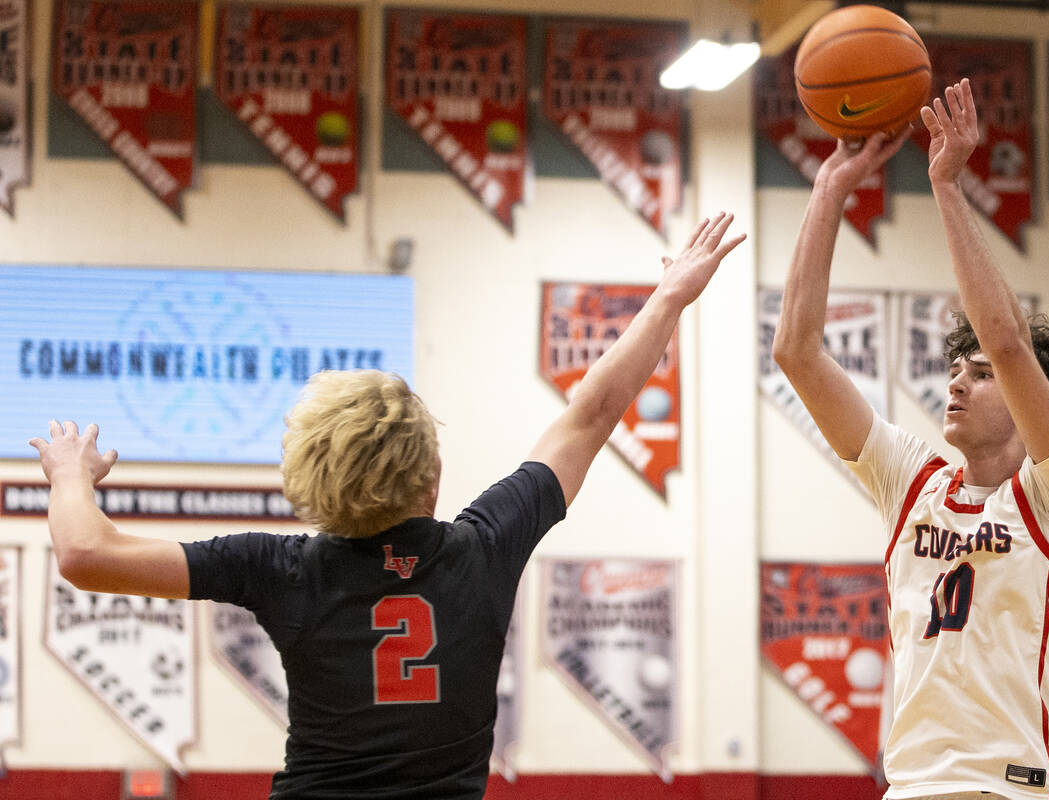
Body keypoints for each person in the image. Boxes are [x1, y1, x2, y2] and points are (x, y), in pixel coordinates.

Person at [30, 213, 745, 800]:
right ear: (431, 472)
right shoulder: (483, 547)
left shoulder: (279, 568)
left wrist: (70, 476)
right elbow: (590, 415)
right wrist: (670, 297)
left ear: (309, 476)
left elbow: (86, 554)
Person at [772, 79, 1049, 800]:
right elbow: (797, 352)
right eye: (954, 371)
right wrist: (829, 188)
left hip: (1019, 787)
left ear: (1027, 400)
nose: (956, 384)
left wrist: (946, 184)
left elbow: (1010, 343)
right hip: (915, 787)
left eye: (978, 375)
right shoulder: (913, 481)